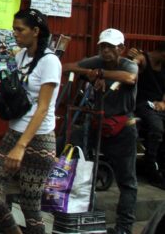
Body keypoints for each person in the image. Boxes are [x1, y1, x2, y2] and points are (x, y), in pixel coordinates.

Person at [0, 9, 61, 234]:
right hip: (15, 132)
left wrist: (21, 146)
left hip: (39, 138)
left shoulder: (50, 61)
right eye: (14, 29)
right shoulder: (20, 56)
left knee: (30, 204)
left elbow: (43, 108)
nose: (15, 33)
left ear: (35, 31)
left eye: (20, 29)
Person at [63, 29, 138, 234]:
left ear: (121, 49)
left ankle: (124, 228)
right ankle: (85, 215)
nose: (106, 51)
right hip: (98, 125)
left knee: (127, 181)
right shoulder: (96, 61)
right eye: (103, 47)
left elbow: (130, 77)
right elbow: (68, 67)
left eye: (110, 47)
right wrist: (88, 73)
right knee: (71, 146)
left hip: (124, 129)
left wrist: (102, 74)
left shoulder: (128, 64)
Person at [129, 42, 165, 188]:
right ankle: (151, 167)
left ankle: (162, 166)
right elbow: (134, 64)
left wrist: (163, 103)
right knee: (157, 128)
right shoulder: (144, 59)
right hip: (142, 104)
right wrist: (134, 60)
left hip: (159, 106)